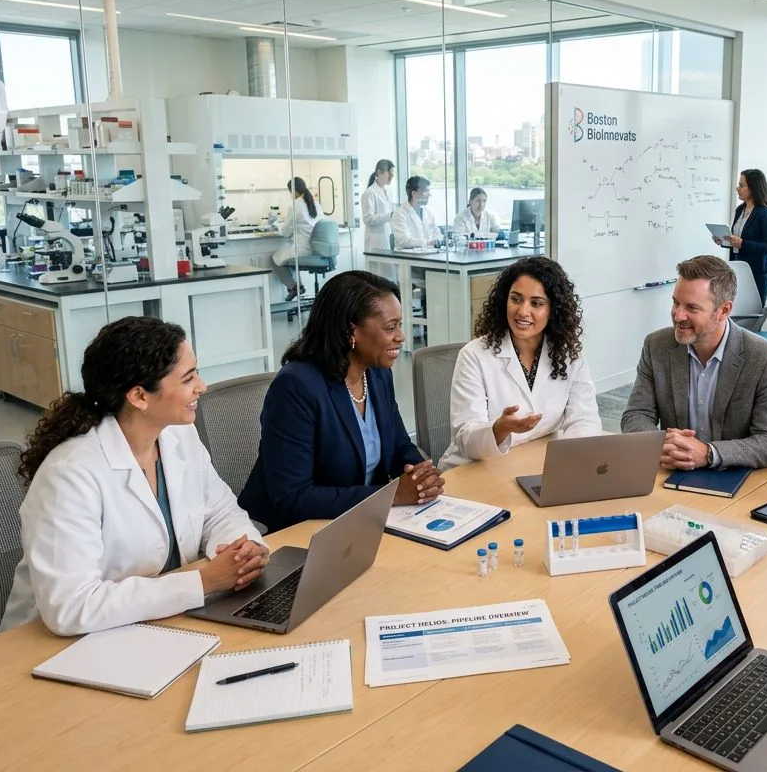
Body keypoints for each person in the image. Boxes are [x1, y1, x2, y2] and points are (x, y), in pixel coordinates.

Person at [0, 317, 270, 636]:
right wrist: (204, 582)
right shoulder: (69, 475)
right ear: (139, 396)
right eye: (188, 378)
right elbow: (71, 607)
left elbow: (220, 512)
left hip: (156, 624)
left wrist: (242, 550)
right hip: (59, 645)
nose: (202, 387)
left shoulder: (177, 435)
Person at [239, 271, 445, 533]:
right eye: (390, 327)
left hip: (357, 521)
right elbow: (293, 497)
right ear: (351, 331)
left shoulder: (377, 373)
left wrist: (422, 477)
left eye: (399, 325)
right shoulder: (296, 386)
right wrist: (390, 494)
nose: (401, 336)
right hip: (292, 532)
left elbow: (399, 446)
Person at [622, 254, 767, 471]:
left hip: (736, 477)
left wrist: (708, 453)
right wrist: (662, 444)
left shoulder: (765, 358)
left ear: (724, 310)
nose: (678, 316)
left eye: (692, 308)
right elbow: (635, 415)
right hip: (674, 472)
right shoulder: (656, 346)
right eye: (676, 303)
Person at [440, 256, 601, 471]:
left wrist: (569, 461)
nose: (523, 311)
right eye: (516, 299)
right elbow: (466, 440)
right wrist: (500, 428)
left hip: (532, 465)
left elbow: (584, 420)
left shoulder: (569, 355)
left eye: (536, 303)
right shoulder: (474, 355)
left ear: (554, 310)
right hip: (474, 470)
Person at [713, 168, 767, 304]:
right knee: (736, 308)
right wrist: (724, 240)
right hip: (737, 270)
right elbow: (737, 241)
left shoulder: (766, 213)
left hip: (757, 273)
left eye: (741, 185)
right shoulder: (739, 210)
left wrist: (743, 243)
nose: (737, 188)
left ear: (753, 188)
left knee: (753, 311)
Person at [272, 176, 321, 302]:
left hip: (303, 250)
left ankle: (294, 286)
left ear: (293, 191)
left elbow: (286, 232)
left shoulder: (295, 205)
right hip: (317, 250)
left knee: (275, 258)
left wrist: (278, 226)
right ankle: (298, 286)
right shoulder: (316, 204)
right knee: (289, 257)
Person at [360, 159, 395, 270]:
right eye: (389, 174)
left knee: (388, 274)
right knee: (376, 274)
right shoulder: (369, 193)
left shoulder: (388, 191)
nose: (392, 177)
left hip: (387, 239)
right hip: (375, 242)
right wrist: (390, 215)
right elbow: (367, 219)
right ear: (379, 172)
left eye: (393, 174)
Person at [391, 175, 441, 250]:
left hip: (428, 253)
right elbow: (404, 240)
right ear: (414, 193)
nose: (429, 195)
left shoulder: (427, 213)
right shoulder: (399, 214)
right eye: (426, 191)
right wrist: (427, 243)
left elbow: (436, 234)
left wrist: (439, 241)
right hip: (407, 256)